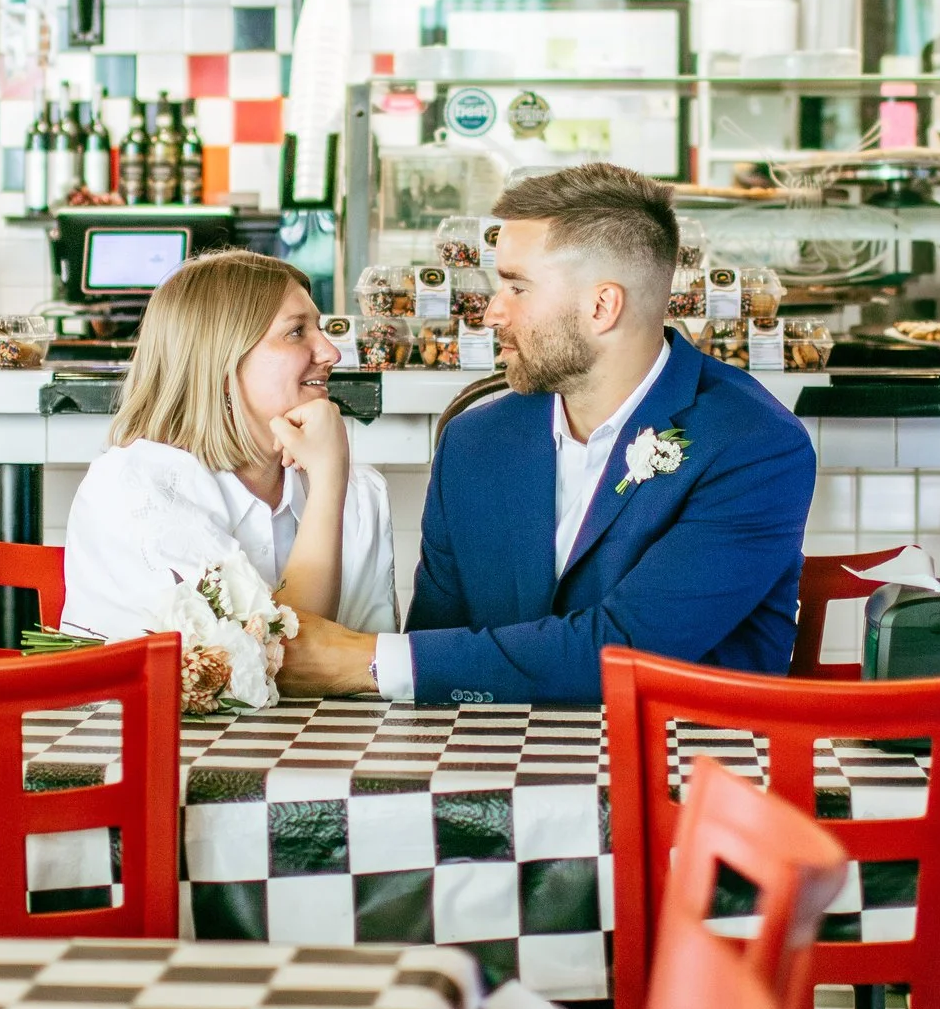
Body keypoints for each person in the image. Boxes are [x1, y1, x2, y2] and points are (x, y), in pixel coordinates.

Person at [279, 163, 815, 704]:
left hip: (687, 775)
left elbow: (633, 652)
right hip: (491, 769)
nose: (491, 313)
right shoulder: (474, 441)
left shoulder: (754, 444)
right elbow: (440, 648)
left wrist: (366, 660)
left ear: (601, 306)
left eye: (517, 287)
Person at [62, 248, 397, 642]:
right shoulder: (134, 490)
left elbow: (369, 667)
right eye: (296, 332)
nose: (331, 352)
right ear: (221, 366)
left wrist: (332, 479)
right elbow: (281, 661)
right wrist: (327, 483)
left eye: (321, 329)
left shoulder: (361, 494)